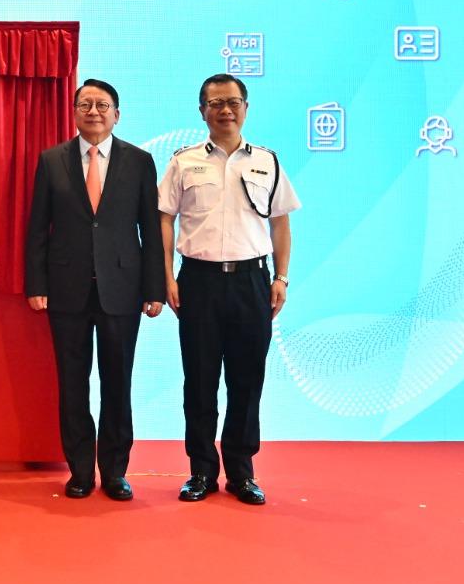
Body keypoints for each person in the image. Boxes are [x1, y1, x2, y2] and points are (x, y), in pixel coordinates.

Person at [159, 73, 299, 506]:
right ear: (202, 111)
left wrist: (281, 277)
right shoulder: (183, 162)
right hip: (198, 281)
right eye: (215, 103)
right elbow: (165, 219)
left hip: (251, 282)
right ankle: (201, 470)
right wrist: (166, 278)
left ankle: (241, 471)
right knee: (199, 381)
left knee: (246, 381)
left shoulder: (267, 161)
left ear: (246, 108)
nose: (225, 110)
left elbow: (280, 222)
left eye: (233, 102)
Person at [25, 78, 166, 501]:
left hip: (121, 289)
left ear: (117, 114)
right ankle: (80, 471)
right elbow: (37, 229)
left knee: (117, 382)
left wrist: (154, 288)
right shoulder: (52, 161)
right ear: (74, 112)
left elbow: (150, 229)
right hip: (66, 291)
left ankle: (116, 471)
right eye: (85, 104)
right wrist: (36, 283)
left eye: (102, 105)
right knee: (73, 383)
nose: (94, 111)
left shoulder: (139, 162)